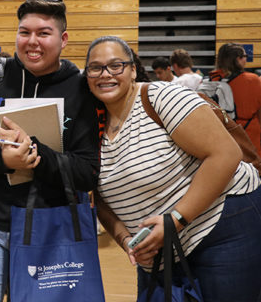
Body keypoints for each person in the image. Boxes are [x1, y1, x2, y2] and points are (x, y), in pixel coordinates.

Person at [85, 36, 261, 301]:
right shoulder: (89, 123)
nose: (105, 74)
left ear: (133, 69)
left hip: (223, 227)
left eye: (115, 65)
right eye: (95, 68)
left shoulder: (161, 96)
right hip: (158, 251)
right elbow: (99, 195)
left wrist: (175, 219)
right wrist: (125, 240)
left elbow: (226, 154)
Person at [0, 0, 99, 301]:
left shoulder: (80, 88)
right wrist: (0, 159)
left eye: (43, 33)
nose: (32, 42)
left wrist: (35, 156)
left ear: (63, 39)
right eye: (24, 32)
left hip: (51, 227)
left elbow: (86, 172)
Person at [209, 43, 261, 157]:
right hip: (250, 134)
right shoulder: (252, 80)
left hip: (223, 133)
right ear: (238, 59)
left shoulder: (211, 80)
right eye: (245, 56)